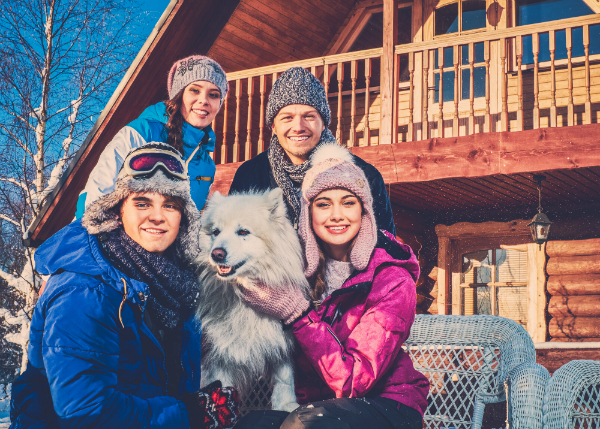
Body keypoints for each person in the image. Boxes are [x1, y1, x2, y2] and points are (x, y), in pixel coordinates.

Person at [10, 144, 239, 429]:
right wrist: (187, 415)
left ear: (184, 218)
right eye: (142, 203)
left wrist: (201, 403)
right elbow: (86, 411)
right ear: (117, 210)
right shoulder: (85, 290)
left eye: (170, 205)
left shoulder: (175, 283)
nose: (157, 216)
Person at [234, 142, 429, 429]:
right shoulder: (299, 271)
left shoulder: (391, 278)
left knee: (306, 423)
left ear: (364, 211)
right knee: (254, 424)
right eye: (323, 204)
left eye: (348, 202)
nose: (336, 215)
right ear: (308, 213)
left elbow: (354, 380)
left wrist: (298, 314)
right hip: (322, 407)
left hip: (390, 405)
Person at [228, 67, 396, 235]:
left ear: (323, 123)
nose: (298, 127)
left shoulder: (364, 176)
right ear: (273, 126)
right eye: (287, 118)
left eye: (308, 116)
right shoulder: (249, 176)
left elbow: (386, 250)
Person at [75, 55, 229, 218]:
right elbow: (98, 191)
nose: (204, 100)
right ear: (179, 94)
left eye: (214, 95)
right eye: (195, 90)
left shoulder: (206, 166)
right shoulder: (143, 133)